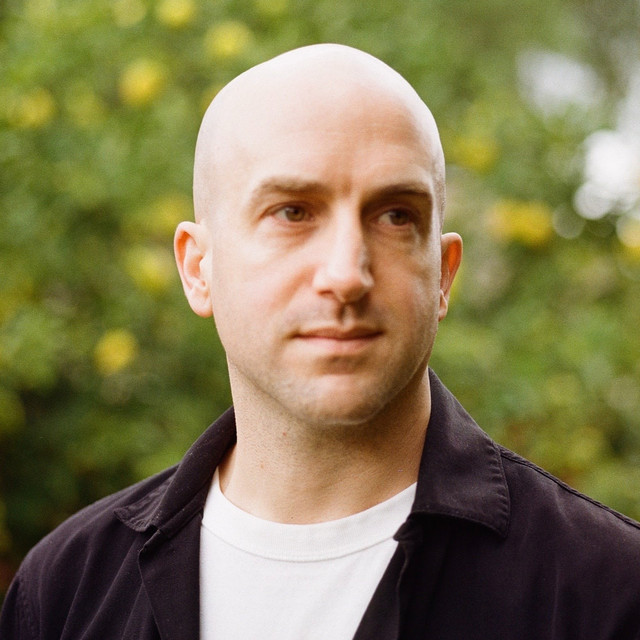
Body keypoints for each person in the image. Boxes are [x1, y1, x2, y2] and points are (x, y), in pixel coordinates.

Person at [1, 43, 639, 640]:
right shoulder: (64, 592)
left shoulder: (607, 592)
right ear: (198, 268)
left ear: (443, 275)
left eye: (395, 216)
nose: (346, 273)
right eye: (293, 212)